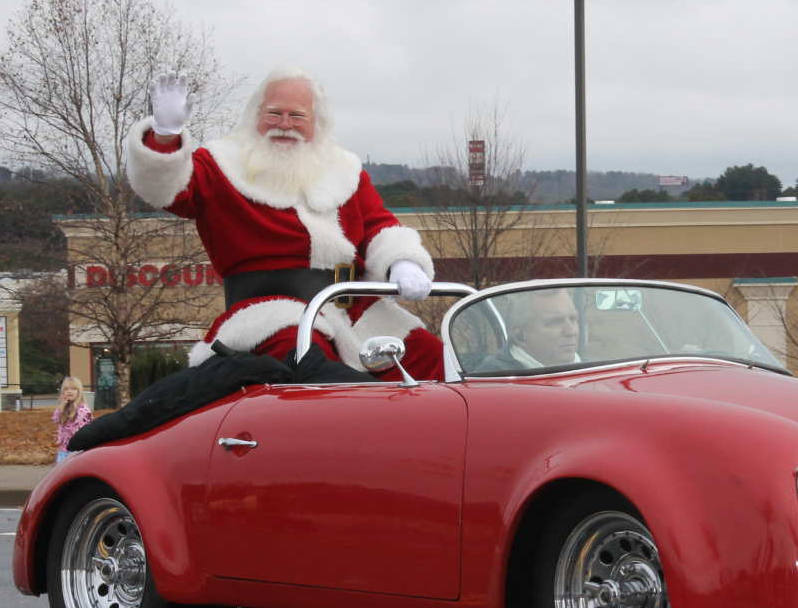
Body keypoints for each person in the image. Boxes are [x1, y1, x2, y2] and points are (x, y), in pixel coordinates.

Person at [127, 68, 441, 379]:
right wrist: (165, 137)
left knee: (430, 357)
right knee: (310, 360)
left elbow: (377, 226)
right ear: (255, 114)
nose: (285, 125)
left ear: (316, 122)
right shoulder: (220, 163)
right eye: (274, 114)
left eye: (297, 116)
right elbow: (168, 190)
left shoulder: (344, 169)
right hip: (268, 313)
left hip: (352, 310)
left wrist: (402, 261)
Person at [477, 289, 581, 372]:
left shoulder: (591, 368)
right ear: (520, 336)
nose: (571, 332)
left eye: (573, 318)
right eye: (554, 322)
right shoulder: (493, 381)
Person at [53, 376, 93, 463]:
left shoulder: (83, 410)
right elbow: (56, 419)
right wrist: (62, 406)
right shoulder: (64, 407)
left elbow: (82, 431)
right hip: (64, 449)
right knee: (61, 472)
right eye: (66, 389)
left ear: (79, 392)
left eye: (73, 389)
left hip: (77, 450)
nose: (69, 391)